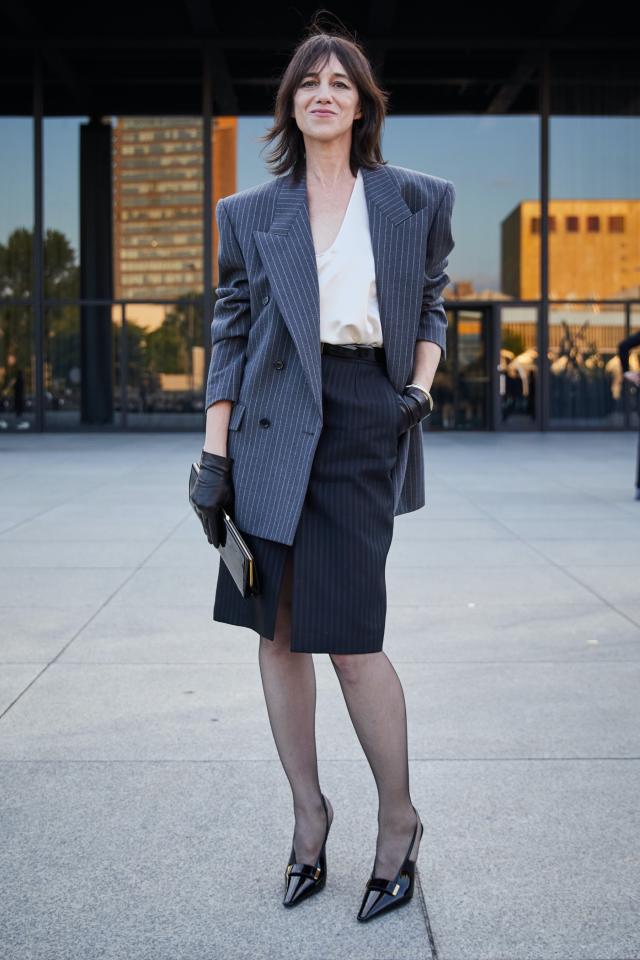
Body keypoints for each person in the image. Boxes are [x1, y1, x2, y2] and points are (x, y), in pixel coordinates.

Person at [190, 26, 456, 922]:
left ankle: (398, 823)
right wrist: (212, 454)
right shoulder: (249, 213)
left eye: (342, 82)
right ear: (293, 105)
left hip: (360, 426)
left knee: (349, 639)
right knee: (276, 634)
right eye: (311, 82)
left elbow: (431, 299)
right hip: (266, 427)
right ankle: (310, 818)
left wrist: (415, 392)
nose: (326, 93)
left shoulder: (415, 199)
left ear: (362, 104)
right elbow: (231, 336)